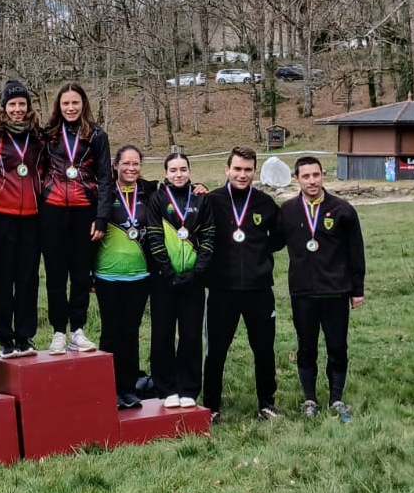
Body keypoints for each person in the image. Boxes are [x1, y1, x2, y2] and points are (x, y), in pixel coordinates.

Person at [279, 156, 365, 422]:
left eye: (316, 175)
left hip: (335, 291)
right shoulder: (288, 211)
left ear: (322, 175)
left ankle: (336, 399)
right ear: (297, 179)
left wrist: (357, 289)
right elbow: (270, 241)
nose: (312, 181)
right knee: (306, 348)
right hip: (303, 292)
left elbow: (355, 251)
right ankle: (309, 399)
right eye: (306, 176)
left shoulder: (343, 210)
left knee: (337, 346)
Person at [202, 147, 284, 423]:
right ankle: (211, 406)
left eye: (248, 169)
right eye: (237, 169)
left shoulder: (265, 203)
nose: (242, 174)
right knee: (216, 351)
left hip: (258, 290)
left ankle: (267, 404)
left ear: (254, 171)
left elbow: (279, 238)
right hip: (221, 289)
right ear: (227, 169)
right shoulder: (211, 200)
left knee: (263, 349)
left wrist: (258, 253)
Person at [0, 79, 44, 359]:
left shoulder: (39, 137)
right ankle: (5, 338)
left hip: (32, 218)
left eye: (22, 104)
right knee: (1, 279)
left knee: (27, 279)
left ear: (28, 107)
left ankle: (25, 337)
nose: (17, 109)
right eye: (12, 104)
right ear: (3, 107)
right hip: (1, 216)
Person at [39, 82, 113, 355]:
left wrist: (102, 216)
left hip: (85, 210)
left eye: (75, 103)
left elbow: (106, 178)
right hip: (53, 209)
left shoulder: (96, 136)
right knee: (56, 274)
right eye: (65, 103)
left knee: (81, 273)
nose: (70, 108)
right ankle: (58, 331)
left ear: (84, 104)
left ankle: (78, 329)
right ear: (58, 106)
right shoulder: (48, 135)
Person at [145, 153, 214, 408]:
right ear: (165, 173)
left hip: (193, 281)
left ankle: (189, 388)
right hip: (164, 281)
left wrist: (196, 273)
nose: (178, 174)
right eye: (173, 170)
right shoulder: (157, 199)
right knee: (162, 334)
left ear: (189, 170)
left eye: (183, 169)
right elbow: (154, 238)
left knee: (191, 335)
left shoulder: (200, 199)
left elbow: (208, 238)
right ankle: (166, 387)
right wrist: (168, 272)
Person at [93, 145, 157, 409]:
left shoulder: (150, 191)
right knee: (110, 334)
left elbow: (180, 194)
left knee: (130, 333)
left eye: (136, 164)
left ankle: (129, 389)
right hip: (108, 276)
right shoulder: (103, 192)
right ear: (116, 165)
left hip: (140, 276)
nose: (131, 168)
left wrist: (198, 186)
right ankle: (108, 389)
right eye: (126, 163)